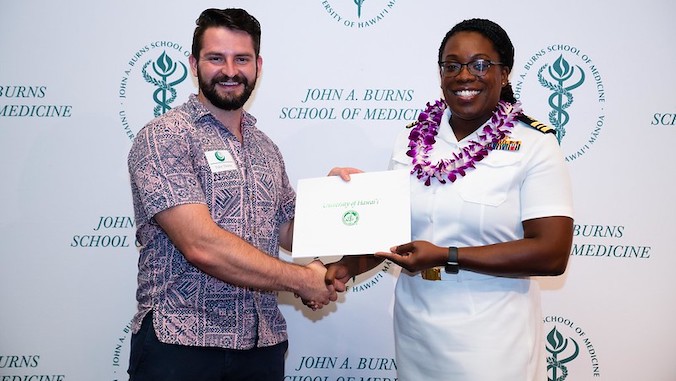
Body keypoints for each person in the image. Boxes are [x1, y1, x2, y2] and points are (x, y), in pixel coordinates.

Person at [326, 18, 574, 381]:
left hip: (494, 342)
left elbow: (552, 253)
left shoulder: (535, 144)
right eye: (452, 65)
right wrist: (345, 266)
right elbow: (389, 233)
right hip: (416, 334)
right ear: (440, 73)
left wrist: (446, 255)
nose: (464, 76)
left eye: (479, 65)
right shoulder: (411, 140)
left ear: (504, 73)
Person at [126, 8, 336, 381]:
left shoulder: (265, 147)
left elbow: (289, 229)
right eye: (215, 58)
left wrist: (342, 201)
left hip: (261, 345)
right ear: (194, 64)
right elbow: (200, 246)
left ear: (258, 65)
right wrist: (301, 279)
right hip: (183, 345)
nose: (230, 70)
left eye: (241, 58)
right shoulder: (165, 137)